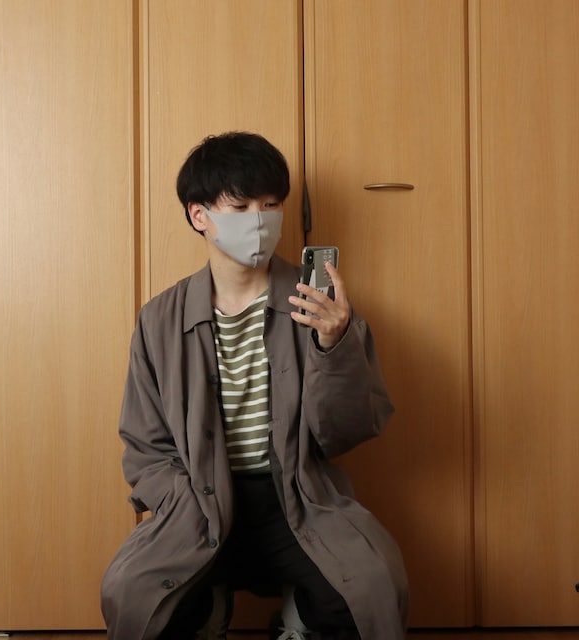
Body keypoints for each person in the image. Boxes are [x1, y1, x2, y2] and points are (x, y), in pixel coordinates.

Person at [100, 131, 409, 640]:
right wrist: (180, 502)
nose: (260, 221)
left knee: (372, 588)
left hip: (298, 498)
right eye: (240, 207)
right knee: (134, 596)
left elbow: (346, 432)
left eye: (270, 205)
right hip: (198, 503)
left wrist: (334, 344)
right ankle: (209, 606)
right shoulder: (160, 319)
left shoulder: (320, 308)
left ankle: (300, 616)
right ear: (200, 216)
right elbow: (144, 444)